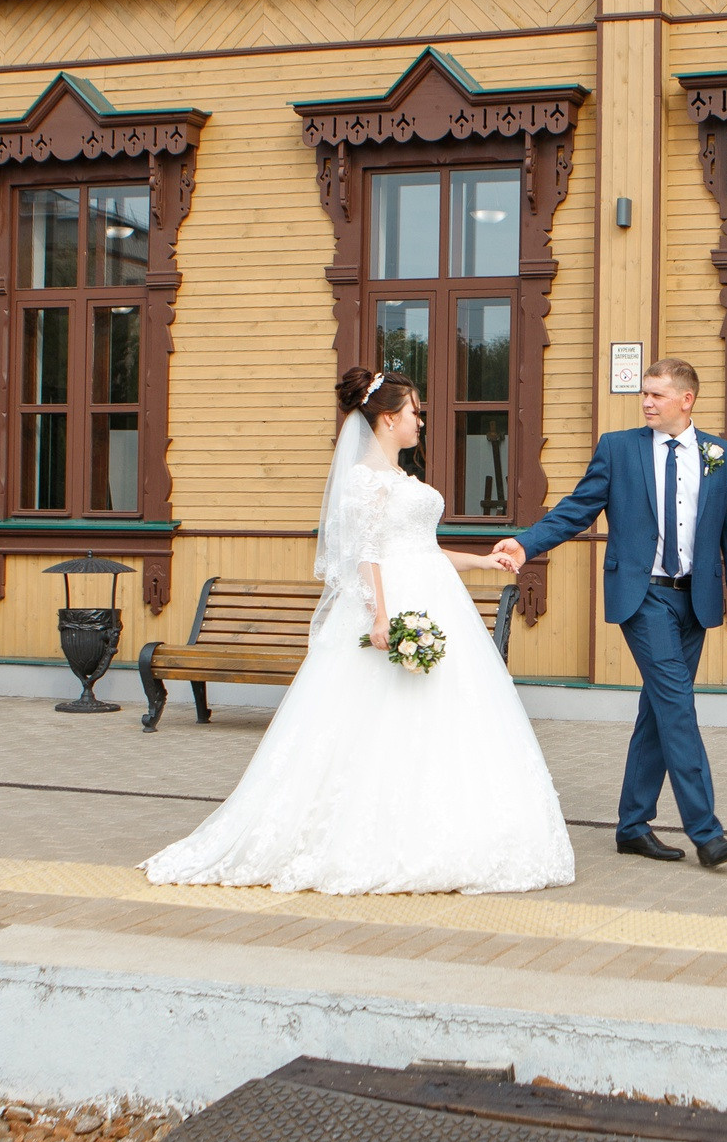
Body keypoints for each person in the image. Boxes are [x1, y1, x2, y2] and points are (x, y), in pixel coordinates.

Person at [140, 369, 575, 895]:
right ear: (389, 418)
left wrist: (483, 562)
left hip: (433, 596)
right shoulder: (364, 479)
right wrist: (379, 615)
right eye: (415, 411)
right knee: (377, 716)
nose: (421, 420)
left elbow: (419, 548)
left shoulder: (400, 480)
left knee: (444, 714)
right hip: (393, 605)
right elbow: (365, 553)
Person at [495, 358, 727, 869]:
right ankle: (707, 833)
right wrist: (527, 545)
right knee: (678, 705)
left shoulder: (722, 455)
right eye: (645, 394)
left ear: (687, 400)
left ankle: (633, 826)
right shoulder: (619, 448)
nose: (647, 402)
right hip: (644, 597)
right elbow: (577, 508)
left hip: (697, 599)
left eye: (658, 395)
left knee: (657, 712)